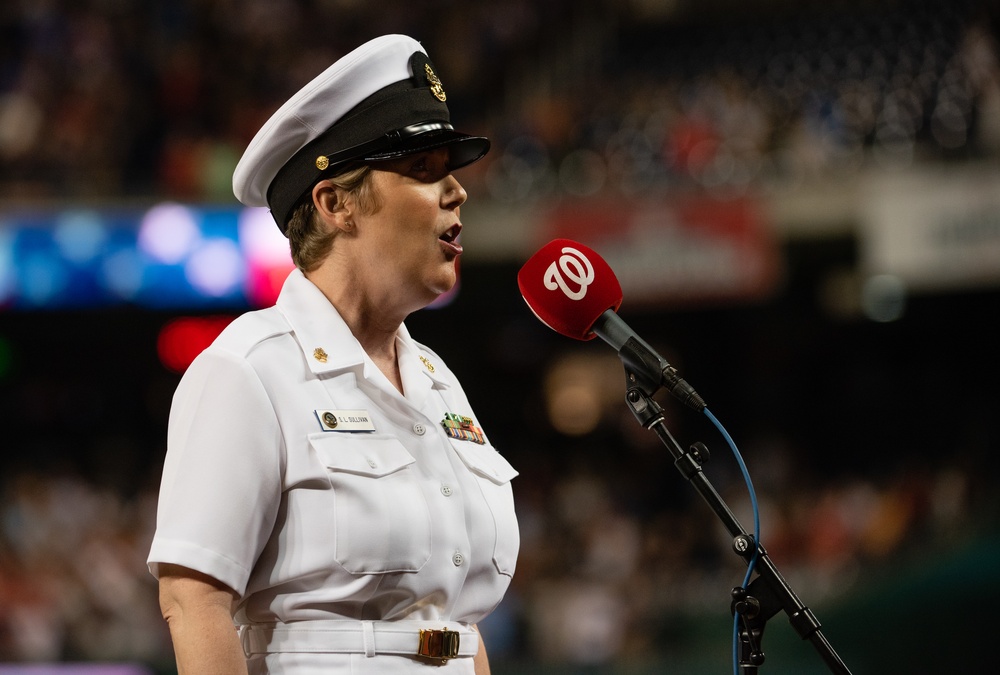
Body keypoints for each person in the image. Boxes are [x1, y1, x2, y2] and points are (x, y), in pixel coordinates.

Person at [147, 34, 519, 674]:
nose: (457, 191)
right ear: (336, 202)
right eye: (425, 170)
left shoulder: (438, 382)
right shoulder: (249, 370)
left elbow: (453, 622)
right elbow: (193, 598)